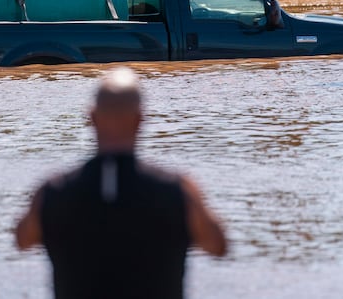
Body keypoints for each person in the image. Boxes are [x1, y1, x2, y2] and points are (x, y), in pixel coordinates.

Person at [15, 66, 227, 299]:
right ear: (140, 120)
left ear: (92, 118)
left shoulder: (52, 191)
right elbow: (217, 246)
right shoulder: (179, 190)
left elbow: (23, 240)